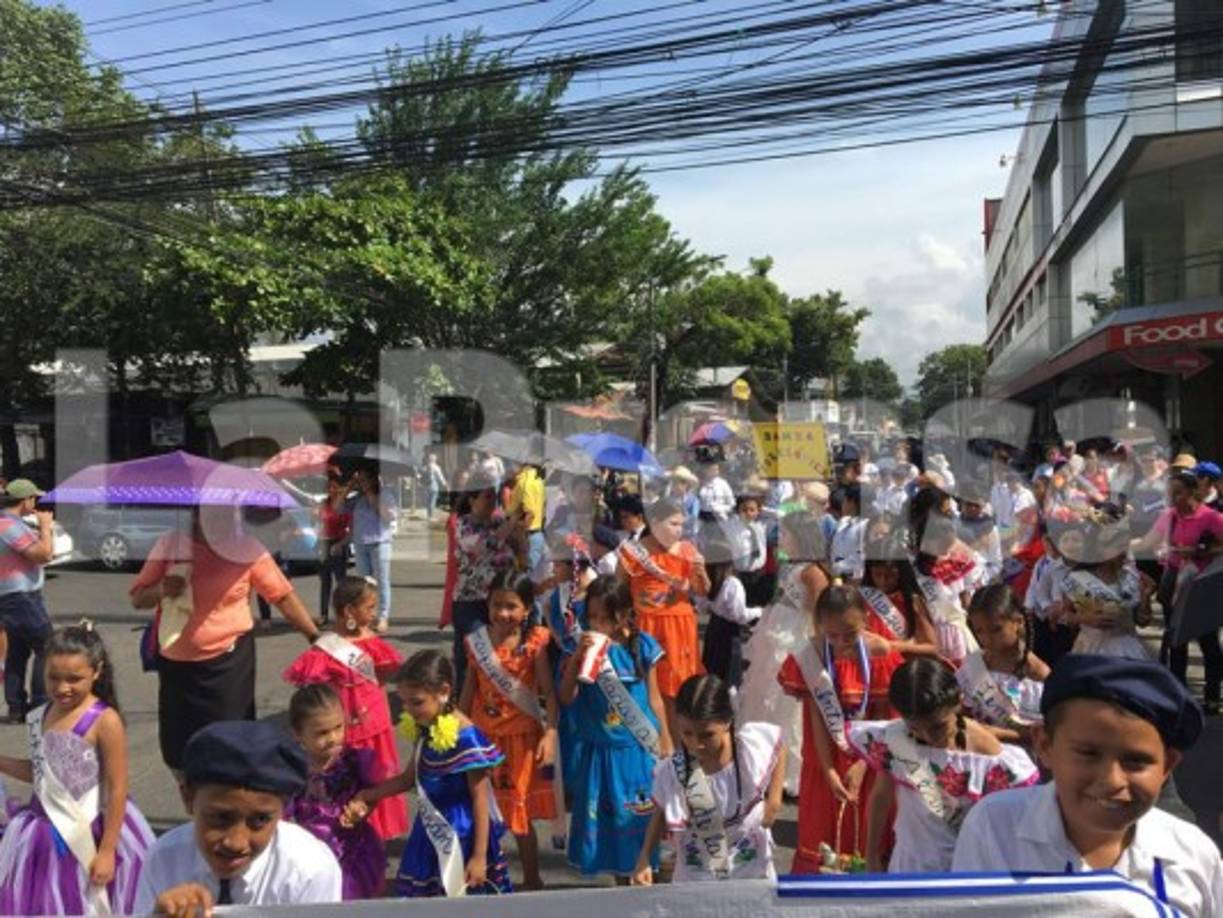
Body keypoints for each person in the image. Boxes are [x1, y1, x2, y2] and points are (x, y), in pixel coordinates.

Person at [952, 655, 1221, 917]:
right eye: (1088, 754)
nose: (1111, 780)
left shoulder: (1193, 857)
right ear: (1045, 746)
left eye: (1136, 761)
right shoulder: (994, 830)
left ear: (1167, 766)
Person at [129, 506, 319, 775]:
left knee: (233, 747)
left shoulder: (247, 549)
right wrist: (162, 589)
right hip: (176, 667)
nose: (222, 521)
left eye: (228, 515)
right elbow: (138, 598)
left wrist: (314, 637)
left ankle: (228, 801)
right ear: (194, 514)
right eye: (211, 514)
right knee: (178, 750)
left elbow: (282, 596)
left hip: (228, 667)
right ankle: (193, 801)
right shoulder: (170, 544)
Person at [0, 623, 154, 915]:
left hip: (89, 830)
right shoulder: (41, 714)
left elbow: (118, 787)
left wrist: (107, 851)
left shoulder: (105, 720)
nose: (62, 687)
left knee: (85, 902)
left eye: (74, 679)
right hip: (41, 832)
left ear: (96, 673)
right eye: (53, 677)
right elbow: (41, 774)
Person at [853, 658, 1038, 873]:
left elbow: (1004, 823)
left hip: (964, 870)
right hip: (910, 864)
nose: (927, 736)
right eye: (915, 728)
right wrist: (872, 855)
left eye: (938, 726)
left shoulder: (987, 756)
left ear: (958, 701)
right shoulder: (897, 739)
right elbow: (881, 796)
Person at [136, 720, 340, 913]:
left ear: (283, 809)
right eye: (220, 818)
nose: (236, 842)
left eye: (259, 820)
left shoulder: (309, 871)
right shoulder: (164, 859)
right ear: (188, 798)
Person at [356, 650, 512, 897]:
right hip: (429, 830)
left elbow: (481, 800)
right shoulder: (427, 726)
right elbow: (409, 778)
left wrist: (479, 856)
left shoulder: (466, 737)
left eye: (416, 702)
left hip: (463, 835)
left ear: (443, 691)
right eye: (404, 701)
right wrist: (369, 794)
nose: (408, 709)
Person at [778, 585, 904, 873]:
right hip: (824, 762)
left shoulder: (880, 655)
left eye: (850, 634)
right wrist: (829, 770)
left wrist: (863, 764)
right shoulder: (811, 657)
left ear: (865, 621)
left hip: (871, 762)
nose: (841, 642)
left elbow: (886, 722)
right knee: (821, 837)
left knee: (868, 836)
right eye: (832, 635)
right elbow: (816, 717)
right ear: (819, 624)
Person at [558, 576, 670, 880]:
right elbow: (566, 697)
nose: (596, 624)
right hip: (599, 753)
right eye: (591, 617)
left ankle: (642, 877)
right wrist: (577, 660)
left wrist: (666, 741)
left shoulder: (642, 646)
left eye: (604, 618)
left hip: (635, 751)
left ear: (623, 615)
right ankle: (620, 887)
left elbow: (656, 699)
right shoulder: (580, 649)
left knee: (635, 820)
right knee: (606, 825)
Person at [282, 576, 407, 840]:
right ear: (350, 611)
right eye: (369, 607)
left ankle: (375, 834)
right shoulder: (327, 648)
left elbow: (384, 675)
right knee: (345, 779)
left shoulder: (373, 641)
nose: (374, 613)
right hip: (343, 728)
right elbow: (314, 691)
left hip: (374, 723)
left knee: (376, 779)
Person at [632, 674, 785, 884]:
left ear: (727, 722)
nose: (696, 744)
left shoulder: (748, 751)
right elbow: (660, 811)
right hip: (698, 871)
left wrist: (775, 799)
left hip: (749, 863)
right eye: (687, 733)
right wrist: (644, 859)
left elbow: (779, 743)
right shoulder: (674, 770)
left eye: (707, 735)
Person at [460, 571, 559, 890]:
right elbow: (467, 691)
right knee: (480, 808)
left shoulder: (535, 643)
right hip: (482, 739)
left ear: (527, 609)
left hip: (521, 740)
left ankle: (532, 878)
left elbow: (548, 693)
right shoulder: (476, 642)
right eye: (496, 606)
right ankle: (485, 876)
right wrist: (456, 730)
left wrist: (551, 733)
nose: (503, 613)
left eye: (511, 606)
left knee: (519, 813)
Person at [739, 510, 829, 796]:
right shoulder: (789, 566)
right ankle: (762, 761)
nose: (781, 539)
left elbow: (819, 613)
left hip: (795, 638)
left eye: (786, 534)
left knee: (787, 704)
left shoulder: (813, 572)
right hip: (774, 633)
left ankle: (790, 773)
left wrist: (817, 650)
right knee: (763, 695)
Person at [618, 498, 710, 741]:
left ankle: (681, 743)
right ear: (654, 523)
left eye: (681, 524)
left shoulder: (688, 550)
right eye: (672, 524)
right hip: (647, 624)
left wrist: (700, 574)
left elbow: (702, 591)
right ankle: (657, 739)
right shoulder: (632, 551)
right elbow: (619, 589)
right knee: (651, 685)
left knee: (679, 687)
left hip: (680, 625)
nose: (678, 530)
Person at [285, 685, 385, 900]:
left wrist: (362, 810)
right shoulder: (292, 769)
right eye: (322, 733)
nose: (333, 738)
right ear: (298, 734)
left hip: (349, 854)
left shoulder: (354, 762)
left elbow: (372, 793)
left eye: (338, 727)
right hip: (307, 856)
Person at [1141, 469, 1223, 711]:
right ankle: (1177, 693)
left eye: (1178, 493)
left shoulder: (1212, 517)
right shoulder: (1169, 515)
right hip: (1175, 584)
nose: (1173, 498)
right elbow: (1148, 542)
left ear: (1192, 491)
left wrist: (1199, 552)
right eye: (1170, 493)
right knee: (1176, 640)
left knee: (1208, 641)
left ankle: (1212, 696)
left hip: (1203, 585)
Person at [451, 473, 521, 691]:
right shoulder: (463, 524)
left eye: (495, 497)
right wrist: (509, 526)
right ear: (472, 500)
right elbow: (481, 547)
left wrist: (520, 526)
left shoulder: (500, 520)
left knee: (499, 651)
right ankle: (464, 701)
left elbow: (518, 549)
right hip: (470, 600)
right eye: (487, 497)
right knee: (473, 653)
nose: (492, 502)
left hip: (499, 600)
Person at [1062, 511, 1153, 662]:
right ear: (1100, 550)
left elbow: (1142, 622)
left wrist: (1146, 597)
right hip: (1090, 650)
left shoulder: (1131, 576)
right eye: (1117, 547)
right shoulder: (1077, 579)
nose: (1124, 553)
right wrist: (1084, 618)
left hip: (1128, 651)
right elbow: (1063, 615)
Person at [962, 584, 1049, 741]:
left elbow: (1045, 732)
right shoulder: (972, 665)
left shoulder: (1038, 675)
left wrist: (996, 734)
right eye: (979, 631)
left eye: (996, 629)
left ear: (1018, 622)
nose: (987, 639)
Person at [0, 480, 55, 724]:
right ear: (25, 501)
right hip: (19, 596)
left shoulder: (12, 524)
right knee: (47, 646)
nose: (36, 504)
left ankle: (16, 706)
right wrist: (46, 527)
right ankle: (40, 704)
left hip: (13, 595)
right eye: (34, 499)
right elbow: (43, 555)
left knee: (18, 650)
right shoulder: (8, 526)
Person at [697, 538, 762, 690]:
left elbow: (702, 606)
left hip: (713, 629)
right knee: (729, 674)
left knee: (712, 668)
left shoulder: (709, 582)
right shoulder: (732, 583)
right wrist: (759, 611)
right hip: (729, 633)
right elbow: (739, 615)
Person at [860, 536, 939, 659]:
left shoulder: (911, 601)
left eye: (890, 575)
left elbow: (932, 647)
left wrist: (891, 646)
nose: (883, 581)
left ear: (901, 572)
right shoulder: (862, 597)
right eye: (877, 574)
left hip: (901, 668)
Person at [347, 465, 398, 633]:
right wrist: (349, 486)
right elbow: (337, 507)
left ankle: (382, 616)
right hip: (361, 544)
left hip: (380, 543)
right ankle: (367, 616)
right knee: (364, 583)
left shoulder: (385, 494)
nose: (362, 484)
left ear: (373, 479)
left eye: (364, 480)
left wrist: (370, 494)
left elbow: (387, 516)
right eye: (359, 480)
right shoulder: (357, 498)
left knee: (382, 581)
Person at [315, 474, 352, 624]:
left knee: (340, 582)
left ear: (340, 488)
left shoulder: (345, 505)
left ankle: (343, 614)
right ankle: (323, 614)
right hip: (323, 543)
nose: (332, 490)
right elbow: (316, 523)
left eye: (335, 487)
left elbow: (350, 527)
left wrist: (341, 544)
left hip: (338, 543)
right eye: (329, 487)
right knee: (325, 581)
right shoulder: (323, 503)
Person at [732, 493, 771, 607]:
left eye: (752, 510)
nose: (748, 513)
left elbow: (780, 515)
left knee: (758, 607)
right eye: (744, 510)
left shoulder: (761, 526)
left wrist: (762, 509)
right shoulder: (733, 528)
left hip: (759, 574)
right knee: (741, 607)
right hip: (740, 574)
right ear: (738, 511)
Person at [508, 463, 547, 577]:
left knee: (522, 580)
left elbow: (530, 513)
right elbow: (543, 508)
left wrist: (520, 536)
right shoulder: (539, 481)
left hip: (527, 538)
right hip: (536, 535)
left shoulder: (524, 482)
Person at [829, 484, 868, 584]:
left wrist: (837, 567)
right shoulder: (843, 523)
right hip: (837, 577)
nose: (843, 504)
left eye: (845, 501)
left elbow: (861, 557)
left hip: (854, 579)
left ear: (852, 503)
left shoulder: (864, 526)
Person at [665, 467, 702, 541]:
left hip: (688, 536)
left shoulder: (693, 500)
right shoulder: (667, 500)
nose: (677, 485)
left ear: (687, 485)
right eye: (675, 482)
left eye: (681, 482)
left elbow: (693, 518)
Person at [424, 451, 449, 522]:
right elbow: (440, 477)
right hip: (434, 486)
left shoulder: (425, 467)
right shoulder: (436, 467)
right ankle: (431, 517)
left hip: (426, 486)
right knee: (432, 501)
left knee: (428, 501)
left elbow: (420, 476)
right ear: (435, 459)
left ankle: (428, 515)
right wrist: (445, 484)